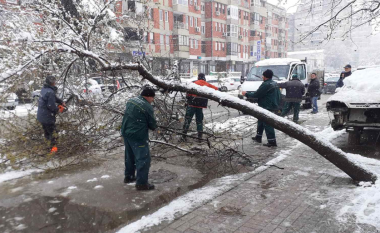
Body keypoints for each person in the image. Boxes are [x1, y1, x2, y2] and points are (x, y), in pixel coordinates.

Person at [121, 88, 157, 191]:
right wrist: (154, 126)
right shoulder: (147, 107)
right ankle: (141, 184)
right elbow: (152, 125)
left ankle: (129, 177)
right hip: (138, 136)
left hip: (126, 133)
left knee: (130, 156)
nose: (152, 100)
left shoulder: (131, 101)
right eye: (152, 98)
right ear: (149, 96)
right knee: (143, 159)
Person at [242, 69, 281, 147]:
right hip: (271, 105)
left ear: (265, 76)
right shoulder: (275, 83)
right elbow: (279, 96)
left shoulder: (266, 84)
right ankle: (258, 137)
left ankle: (272, 141)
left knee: (267, 123)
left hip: (267, 106)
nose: (262, 77)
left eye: (263, 75)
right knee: (261, 121)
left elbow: (257, 94)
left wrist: (246, 94)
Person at [182, 73, 218, 141]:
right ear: (204, 77)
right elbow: (216, 89)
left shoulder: (194, 83)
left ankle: (183, 136)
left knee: (187, 120)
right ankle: (200, 137)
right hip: (200, 106)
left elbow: (188, 92)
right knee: (199, 121)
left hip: (191, 105)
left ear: (198, 77)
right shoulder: (207, 84)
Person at [37, 76, 65, 153]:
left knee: (47, 133)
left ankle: (48, 148)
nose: (55, 82)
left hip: (41, 116)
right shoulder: (50, 92)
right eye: (54, 81)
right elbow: (51, 105)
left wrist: (60, 102)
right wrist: (58, 110)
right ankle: (54, 150)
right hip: (47, 117)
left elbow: (53, 98)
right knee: (53, 134)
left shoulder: (44, 89)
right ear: (52, 82)